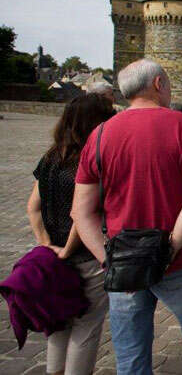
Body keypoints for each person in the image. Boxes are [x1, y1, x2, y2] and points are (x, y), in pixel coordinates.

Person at [71, 59, 182, 374]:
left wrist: (109, 260)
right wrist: (169, 249)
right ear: (158, 84)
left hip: (123, 260)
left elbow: (80, 211)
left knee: (131, 352)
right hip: (180, 260)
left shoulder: (100, 135)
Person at [27, 93, 114, 375]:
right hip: (85, 255)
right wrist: (67, 248)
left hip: (53, 257)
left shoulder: (51, 157)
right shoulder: (88, 160)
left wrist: (47, 245)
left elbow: (33, 208)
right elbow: (81, 213)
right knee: (86, 327)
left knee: (58, 322)